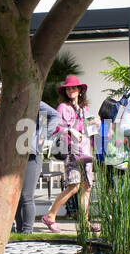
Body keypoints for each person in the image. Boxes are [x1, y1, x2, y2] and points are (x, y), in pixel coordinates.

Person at [42, 75, 100, 233]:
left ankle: (85, 222)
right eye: (68, 88)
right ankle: (50, 216)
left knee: (86, 187)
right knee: (74, 186)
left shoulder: (84, 109)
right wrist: (70, 129)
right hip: (71, 151)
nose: (71, 91)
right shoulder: (62, 107)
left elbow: (88, 130)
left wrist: (96, 123)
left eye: (74, 88)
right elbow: (56, 128)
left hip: (86, 150)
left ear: (80, 90)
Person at [15, 97, 62, 234]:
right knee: (17, 195)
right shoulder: (11, 103)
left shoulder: (34, 101)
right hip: (14, 155)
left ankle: (27, 231)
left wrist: (43, 135)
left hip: (32, 154)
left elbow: (55, 116)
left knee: (26, 195)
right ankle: (19, 231)